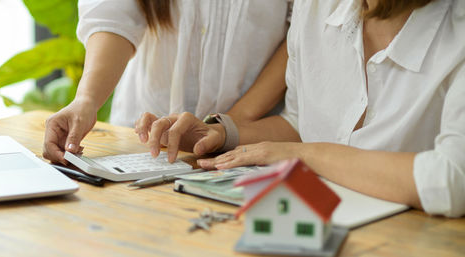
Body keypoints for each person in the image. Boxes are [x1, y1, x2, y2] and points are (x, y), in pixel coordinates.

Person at [140, 0, 465, 217]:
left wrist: (305, 155)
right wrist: (223, 134)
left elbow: (452, 180)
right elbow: (301, 122)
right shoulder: (316, 8)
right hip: (313, 220)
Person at [42, 0, 292, 165]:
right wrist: (87, 100)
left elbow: (298, 37)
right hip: (145, 141)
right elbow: (113, 16)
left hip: (252, 138)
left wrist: (226, 128)